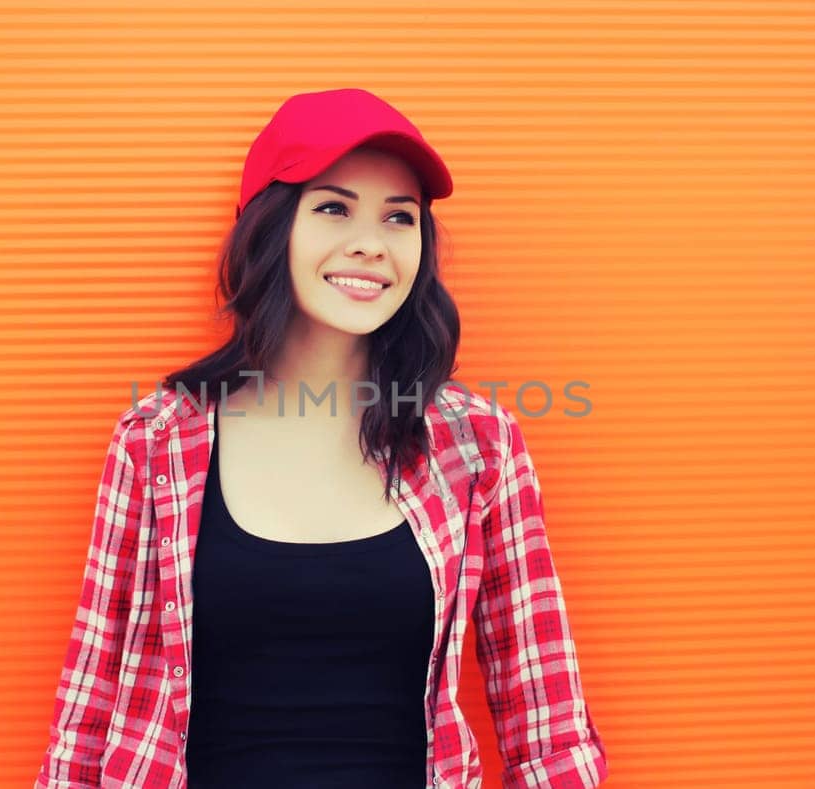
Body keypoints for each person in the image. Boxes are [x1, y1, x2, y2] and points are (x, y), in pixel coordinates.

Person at [33, 87, 607, 788]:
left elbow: (547, 719)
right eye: (333, 207)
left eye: (400, 217)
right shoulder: (157, 440)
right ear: (272, 228)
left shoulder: (479, 442)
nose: (370, 241)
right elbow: (87, 714)